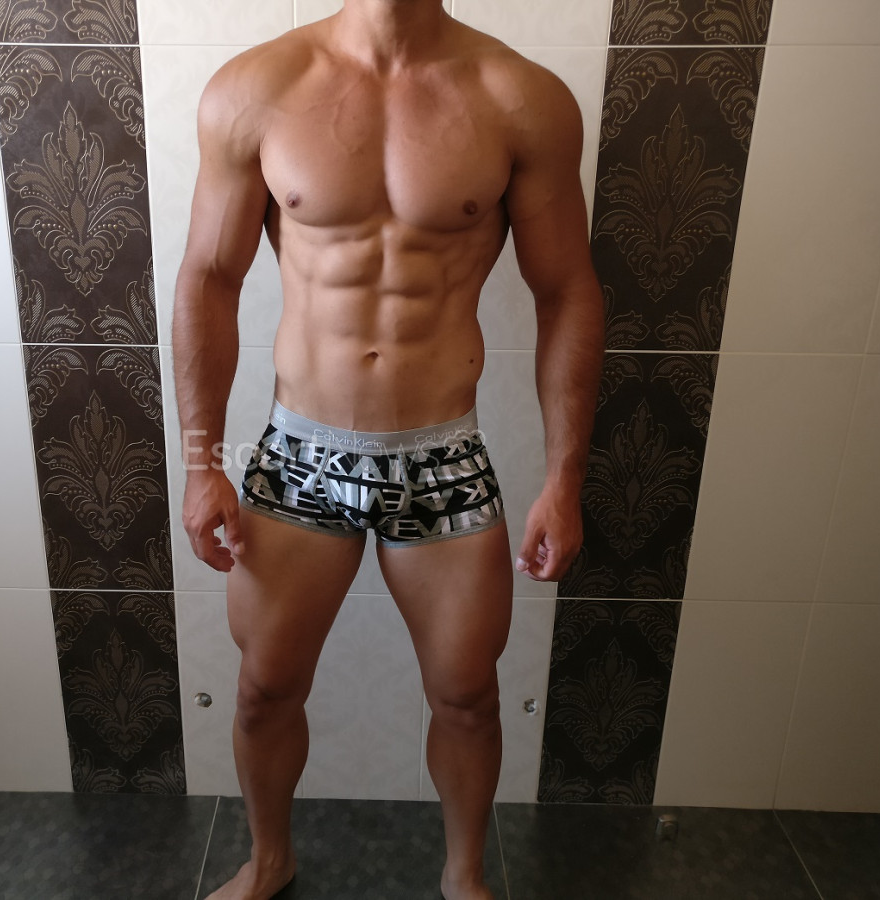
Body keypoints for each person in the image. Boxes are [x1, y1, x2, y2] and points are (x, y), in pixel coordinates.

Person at [172, 1, 603, 897]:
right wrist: (200, 462)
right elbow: (209, 279)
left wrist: (565, 478)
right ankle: (269, 860)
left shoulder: (521, 98)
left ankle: (464, 876)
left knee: (468, 695)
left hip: (441, 457)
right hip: (300, 454)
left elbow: (566, 290)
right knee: (262, 688)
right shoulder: (254, 90)